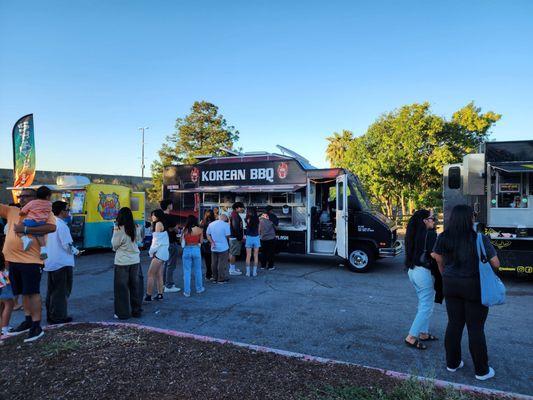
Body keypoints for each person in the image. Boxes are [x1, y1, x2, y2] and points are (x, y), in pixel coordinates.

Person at [432, 204, 500, 381]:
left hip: (450, 284)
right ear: (470, 219)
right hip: (474, 286)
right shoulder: (479, 238)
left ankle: (452, 364)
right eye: (473, 216)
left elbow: (437, 257)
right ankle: (482, 371)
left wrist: (444, 273)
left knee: (454, 324)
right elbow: (496, 264)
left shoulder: (443, 236)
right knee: (475, 328)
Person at [0, 188, 56, 342]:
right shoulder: (12, 211)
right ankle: (28, 320)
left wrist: (25, 229)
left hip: (31, 260)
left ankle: (37, 325)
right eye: (20, 196)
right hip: (13, 260)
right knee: (24, 292)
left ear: (35, 197)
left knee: (32, 292)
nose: (22, 199)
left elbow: (52, 228)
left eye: (26, 196)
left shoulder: (45, 211)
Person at [404, 209, 439, 350]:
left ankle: (423, 333)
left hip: (413, 271)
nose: (434, 221)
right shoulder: (430, 234)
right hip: (423, 273)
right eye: (432, 218)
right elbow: (434, 254)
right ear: (425, 221)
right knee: (426, 306)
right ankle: (411, 337)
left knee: (424, 303)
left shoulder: (413, 234)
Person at [44, 201, 80, 324]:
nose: (68, 212)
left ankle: (51, 315)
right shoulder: (62, 225)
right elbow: (67, 245)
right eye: (67, 209)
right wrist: (76, 252)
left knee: (51, 290)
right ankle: (59, 316)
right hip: (62, 262)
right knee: (61, 291)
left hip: (50, 262)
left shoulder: (48, 222)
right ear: (61, 211)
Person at [111, 207, 142, 319]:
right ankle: (136, 311)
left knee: (121, 288)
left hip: (122, 261)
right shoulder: (137, 227)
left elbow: (114, 245)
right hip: (135, 260)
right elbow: (139, 241)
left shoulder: (118, 229)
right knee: (135, 287)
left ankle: (122, 313)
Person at [18, 185, 52, 259]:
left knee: (18, 228)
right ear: (47, 197)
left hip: (31, 222)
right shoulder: (49, 204)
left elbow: (23, 211)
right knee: (40, 236)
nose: (22, 198)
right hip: (42, 223)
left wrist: (20, 213)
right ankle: (43, 250)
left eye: (26, 196)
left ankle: (25, 239)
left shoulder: (33, 203)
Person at [145, 210, 169, 301]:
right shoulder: (162, 223)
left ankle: (148, 295)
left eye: (153, 215)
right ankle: (160, 294)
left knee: (150, 274)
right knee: (159, 274)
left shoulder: (158, 224)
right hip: (163, 253)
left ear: (157, 216)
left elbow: (156, 241)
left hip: (159, 253)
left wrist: (151, 252)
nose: (152, 217)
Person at [160, 199, 181, 294]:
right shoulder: (171, 217)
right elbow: (176, 230)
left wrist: (170, 229)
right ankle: (169, 285)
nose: (172, 206)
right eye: (171, 204)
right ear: (168, 206)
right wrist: (172, 229)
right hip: (172, 242)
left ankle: (164, 284)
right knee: (171, 265)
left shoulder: (160, 217)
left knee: (165, 264)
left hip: (163, 243)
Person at [181, 215, 204, 297]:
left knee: (187, 271)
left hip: (186, 249)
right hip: (196, 249)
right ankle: (199, 288)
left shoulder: (185, 230)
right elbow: (201, 241)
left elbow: (182, 242)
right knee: (198, 270)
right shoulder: (199, 230)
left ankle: (187, 292)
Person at [207, 214, 231, 284]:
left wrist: (212, 242)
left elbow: (208, 234)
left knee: (214, 263)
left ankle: (214, 278)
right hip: (223, 246)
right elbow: (228, 235)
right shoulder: (226, 225)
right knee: (222, 263)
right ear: (225, 218)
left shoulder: (211, 224)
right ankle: (221, 278)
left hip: (214, 246)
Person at [229, 202, 245, 276]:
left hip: (234, 237)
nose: (242, 209)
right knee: (233, 253)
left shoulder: (234, 214)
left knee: (232, 253)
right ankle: (232, 270)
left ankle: (232, 268)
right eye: (241, 207)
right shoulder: (235, 215)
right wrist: (240, 237)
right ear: (237, 208)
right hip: (235, 237)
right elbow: (236, 227)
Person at [244, 207, 260, 277]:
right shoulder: (257, 219)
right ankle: (254, 272)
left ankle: (247, 272)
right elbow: (259, 229)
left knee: (248, 255)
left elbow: (246, 227)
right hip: (256, 237)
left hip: (249, 237)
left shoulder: (247, 219)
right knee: (256, 255)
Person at [200, 209, 216, 280]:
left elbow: (202, 233)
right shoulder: (214, 223)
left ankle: (208, 274)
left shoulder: (203, 222)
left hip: (205, 243)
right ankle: (213, 274)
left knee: (207, 260)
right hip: (212, 242)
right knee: (213, 259)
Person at [0, 262, 15, 336]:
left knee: (2, 303)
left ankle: (4, 325)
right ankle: (4, 329)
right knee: (9, 303)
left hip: (2, 276)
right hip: (2, 277)